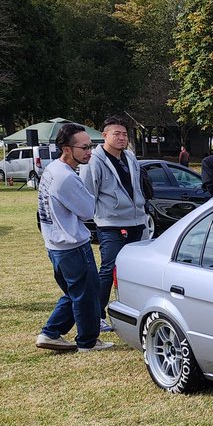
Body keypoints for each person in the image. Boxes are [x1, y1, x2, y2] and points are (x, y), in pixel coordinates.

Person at [35, 123, 112, 353]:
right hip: (71, 245)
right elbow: (88, 210)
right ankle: (87, 342)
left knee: (74, 292)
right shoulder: (66, 178)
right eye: (85, 147)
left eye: (91, 146)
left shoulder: (52, 170)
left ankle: (50, 333)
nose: (90, 151)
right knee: (86, 295)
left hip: (56, 244)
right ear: (67, 149)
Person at [82, 115, 149, 332]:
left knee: (137, 269)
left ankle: (133, 310)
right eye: (116, 134)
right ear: (104, 136)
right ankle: (97, 315)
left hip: (137, 220)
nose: (121, 138)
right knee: (109, 268)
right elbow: (87, 193)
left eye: (124, 134)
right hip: (110, 223)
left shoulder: (129, 157)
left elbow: (137, 187)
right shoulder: (94, 160)